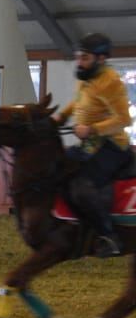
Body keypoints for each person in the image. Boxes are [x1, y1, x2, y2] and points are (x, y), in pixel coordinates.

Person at [57, 32, 132, 258]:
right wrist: (59, 118)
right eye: (79, 57)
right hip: (90, 144)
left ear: (101, 59)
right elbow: (78, 102)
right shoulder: (85, 78)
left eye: (85, 58)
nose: (79, 62)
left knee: (82, 185)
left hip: (112, 146)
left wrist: (93, 129)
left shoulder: (111, 82)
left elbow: (123, 119)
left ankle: (109, 236)